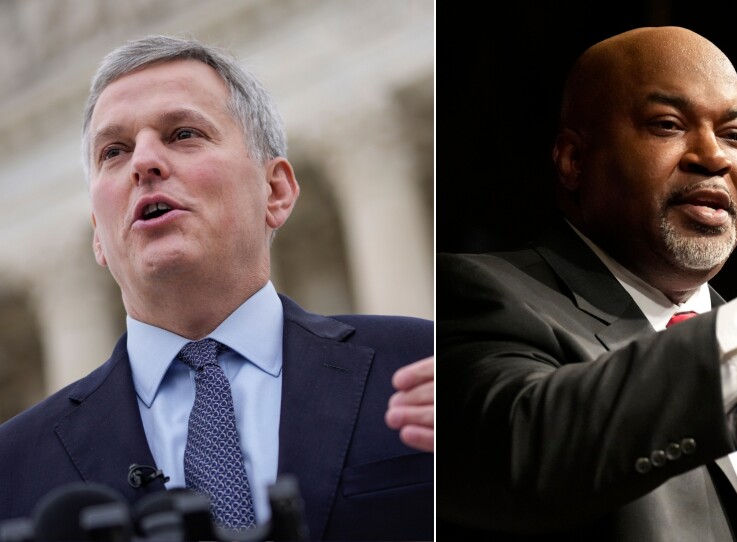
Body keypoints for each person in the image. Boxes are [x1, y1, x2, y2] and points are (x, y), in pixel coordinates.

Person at [437, 26, 737, 541]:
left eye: (735, 136)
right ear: (574, 160)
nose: (713, 156)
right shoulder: (475, 295)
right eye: (668, 125)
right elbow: (526, 454)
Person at [0, 35, 433, 541]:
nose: (143, 162)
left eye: (183, 133)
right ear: (98, 235)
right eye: (113, 151)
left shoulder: (420, 362)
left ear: (275, 190)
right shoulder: (11, 465)